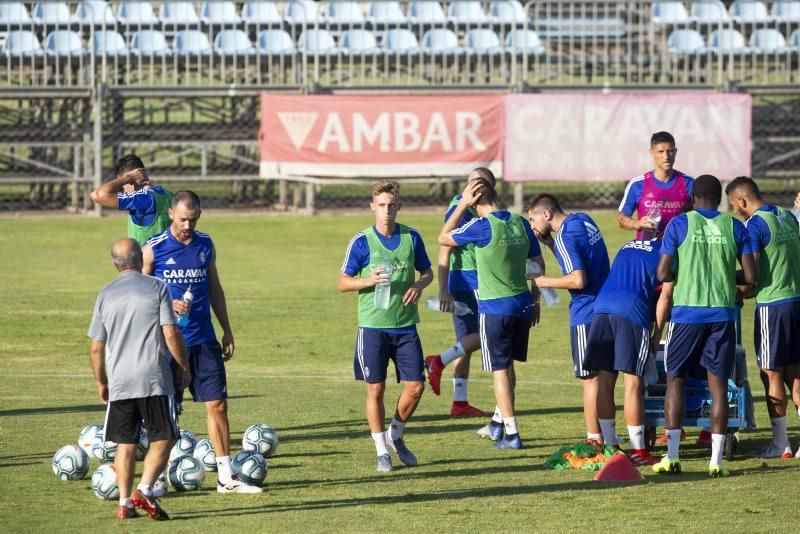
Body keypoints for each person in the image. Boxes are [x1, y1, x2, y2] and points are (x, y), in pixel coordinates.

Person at [143, 190, 261, 493]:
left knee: (218, 405)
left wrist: (227, 329)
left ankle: (226, 478)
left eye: (193, 219)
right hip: (167, 344)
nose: (187, 225)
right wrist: (168, 303)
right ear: (171, 214)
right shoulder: (153, 249)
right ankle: (156, 479)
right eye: (183, 219)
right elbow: (140, 296)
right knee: (167, 414)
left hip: (203, 340)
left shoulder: (205, 244)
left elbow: (215, 288)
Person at [654, 174, 756, 477]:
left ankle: (672, 457)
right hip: (722, 315)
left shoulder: (679, 224)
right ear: (719, 199)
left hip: (687, 315)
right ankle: (716, 462)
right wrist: (725, 275)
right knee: (719, 385)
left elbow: (662, 273)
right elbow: (750, 277)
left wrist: (681, 267)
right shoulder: (735, 226)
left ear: (693, 198)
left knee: (676, 380)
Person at [88, 238, 191, 520]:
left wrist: (101, 381)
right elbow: (170, 332)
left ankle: (124, 503)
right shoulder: (157, 287)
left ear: (115, 262)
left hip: (120, 381)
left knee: (126, 443)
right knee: (166, 436)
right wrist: (183, 366)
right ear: (139, 258)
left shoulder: (105, 294)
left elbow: (96, 346)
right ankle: (144, 489)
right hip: (153, 378)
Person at [439, 178, 543, 449]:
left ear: (475, 200)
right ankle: (498, 424)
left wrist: (462, 205)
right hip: (522, 305)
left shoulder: (481, 226)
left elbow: (443, 238)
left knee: (499, 371)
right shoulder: (520, 222)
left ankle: (511, 433)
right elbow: (538, 264)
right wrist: (535, 299)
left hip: (495, 309)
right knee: (508, 367)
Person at [337, 180, 433, 472]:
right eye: (381, 205)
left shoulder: (411, 237)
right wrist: (368, 280)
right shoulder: (362, 242)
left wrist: (419, 284)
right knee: (375, 390)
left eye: (392, 205)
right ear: (372, 207)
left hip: (405, 326)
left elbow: (427, 271)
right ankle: (381, 450)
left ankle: (396, 433)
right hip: (372, 328)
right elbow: (342, 282)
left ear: (399, 207)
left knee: (416, 387)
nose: (387, 210)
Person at [526, 194, 610, 444]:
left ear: (546, 215)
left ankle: (594, 439)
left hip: (586, 312)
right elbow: (576, 255)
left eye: (532, 219)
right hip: (607, 308)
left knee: (589, 379)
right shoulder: (584, 220)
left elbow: (578, 279)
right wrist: (550, 243)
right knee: (605, 377)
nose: (531, 226)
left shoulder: (564, 235)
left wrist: (542, 281)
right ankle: (609, 436)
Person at [726, 176, 800, 459]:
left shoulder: (754, 225)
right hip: (797, 301)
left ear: (742, 201)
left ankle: (780, 444)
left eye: (734, 206)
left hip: (773, 306)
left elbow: (750, 277)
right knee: (795, 375)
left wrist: (734, 289)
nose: (735, 211)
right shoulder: (785, 216)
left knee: (771, 373)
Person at [584, 238, 663, 465]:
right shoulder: (668, 252)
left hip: (600, 309)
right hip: (631, 311)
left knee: (605, 380)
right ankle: (639, 451)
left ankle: (611, 446)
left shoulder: (628, 244)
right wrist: (656, 337)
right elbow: (664, 297)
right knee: (632, 382)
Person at [425, 168, 497, 418]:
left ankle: (459, 402)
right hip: (468, 281)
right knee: (489, 335)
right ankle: (439, 361)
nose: (471, 189)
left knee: (466, 342)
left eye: (478, 185)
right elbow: (444, 246)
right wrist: (443, 289)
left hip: (474, 281)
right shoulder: (461, 207)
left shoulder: (482, 208)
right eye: (470, 184)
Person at [617, 131, 694, 240]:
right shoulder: (637, 185)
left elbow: (702, 217)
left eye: (670, 151)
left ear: (675, 152)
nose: (666, 156)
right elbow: (621, 220)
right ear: (651, 153)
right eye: (661, 151)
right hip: (647, 252)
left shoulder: (689, 183)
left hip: (679, 252)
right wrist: (637, 223)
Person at [91, 154, 174, 245]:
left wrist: (128, 178)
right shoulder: (168, 194)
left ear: (133, 179)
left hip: (146, 258)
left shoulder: (141, 199)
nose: (123, 189)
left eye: (122, 183)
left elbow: (97, 195)